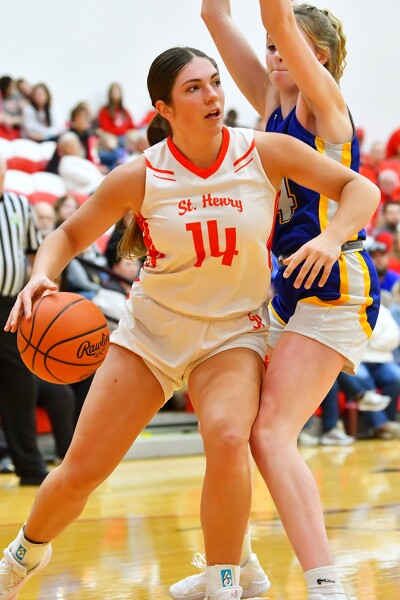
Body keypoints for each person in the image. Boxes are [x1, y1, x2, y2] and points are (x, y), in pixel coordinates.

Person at [0, 46, 380, 600]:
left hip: (231, 333)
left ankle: (223, 581)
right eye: (194, 89)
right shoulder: (140, 174)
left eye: (215, 82)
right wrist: (41, 274)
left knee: (227, 436)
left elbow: (360, 189)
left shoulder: (263, 151)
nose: (212, 96)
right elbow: (67, 235)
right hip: (151, 334)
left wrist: (330, 237)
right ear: (164, 108)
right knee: (81, 472)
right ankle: (24, 554)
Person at [171, 2, 381, 599]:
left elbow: (281, 21)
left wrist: (330, 236)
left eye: (283, 44)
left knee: (270, 434)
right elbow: (214, 16)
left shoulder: (323, 105)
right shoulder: (272, 102)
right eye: (267, 45)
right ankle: (237, 565)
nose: (273, 52)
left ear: (320, 57)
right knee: (229, 426)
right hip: (287, 289)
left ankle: (326, 584)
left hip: (336, 280)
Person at [0, 154, 49, 486]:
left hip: (11, 306)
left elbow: (35, 252)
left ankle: (30, 468)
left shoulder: (19, 205)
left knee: (20, 386)